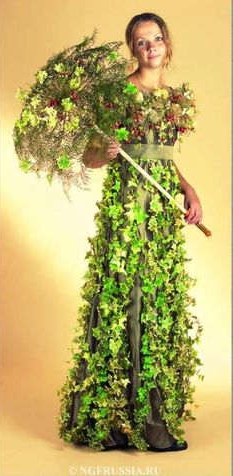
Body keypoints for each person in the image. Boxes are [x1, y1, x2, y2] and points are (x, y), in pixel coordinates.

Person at [56, 12, 204, 452]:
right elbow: (91, 158)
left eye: (156, 39)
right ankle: (127, 423)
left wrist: (188, 189)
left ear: (167, 44)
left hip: (159, 209)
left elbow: (160, 156)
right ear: (132, 49)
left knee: (156, 302)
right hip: (129, 210)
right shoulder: (120, 93)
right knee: (128, 296)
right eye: (141, 42)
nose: (150, 47)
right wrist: (108, 147)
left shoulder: (173, 98)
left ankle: (139, 417)